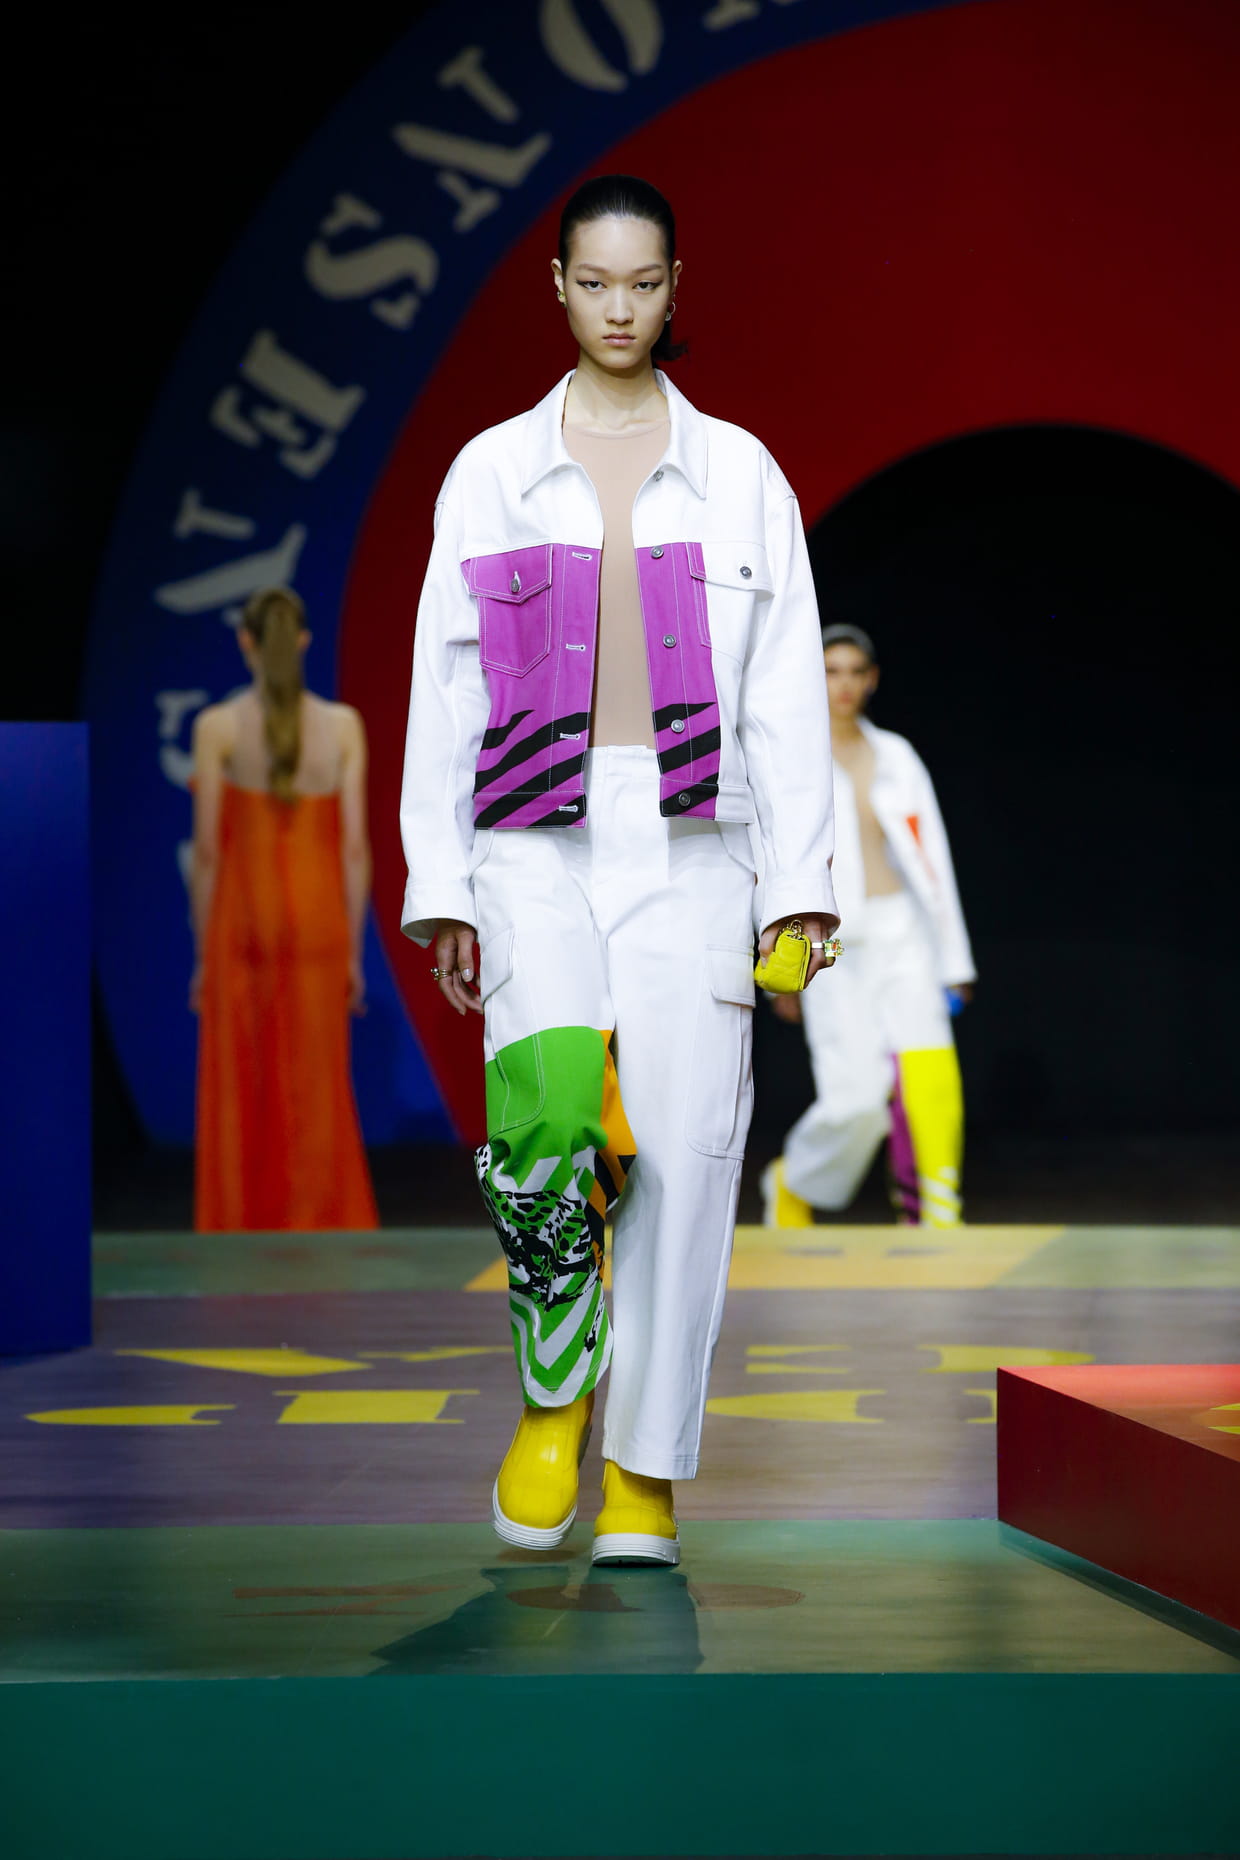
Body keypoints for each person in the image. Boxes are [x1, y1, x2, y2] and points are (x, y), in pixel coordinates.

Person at [399, 175, 837, 1566]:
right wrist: (441, 886)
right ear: (558, 285)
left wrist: (800, 888)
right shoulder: (488, 472)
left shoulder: (743, 474)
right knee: (542, 1128)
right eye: (594, 283)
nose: (619, 309)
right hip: (529, 836)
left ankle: (642, 1480)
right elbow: (444, 689)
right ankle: (555, 1397)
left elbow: (784, 692)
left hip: (696, 845)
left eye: (643, 284)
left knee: (687, 1153)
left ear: (674, 285)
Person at [763, 624, 974, 1229]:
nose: (845, 685)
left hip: (905, 930)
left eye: (856, 672)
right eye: (832, 671)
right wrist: (782, 964)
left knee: (930, 1069)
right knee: (855, 1099)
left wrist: (955, 960)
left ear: (872, 679)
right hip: (831, 943)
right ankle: (793, 1180)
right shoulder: (790, 760)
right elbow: (774, 862)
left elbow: (933, 860)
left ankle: (939, 1211)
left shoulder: (898, 756)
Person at [190, 586, 379, 1233]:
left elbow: (207, 855)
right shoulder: (344, 727)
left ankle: (242, 1226)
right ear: (302, 641)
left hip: (242, 926)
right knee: (316, 1087)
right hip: (321, 926)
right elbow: (355, 850)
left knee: (244, 1085)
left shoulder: (215, 728)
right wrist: (355, 953)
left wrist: (201, 957)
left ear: (245, 641)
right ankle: (319, 1224)